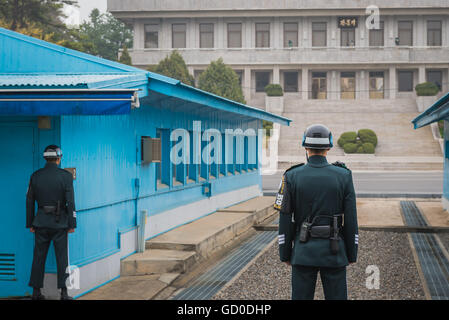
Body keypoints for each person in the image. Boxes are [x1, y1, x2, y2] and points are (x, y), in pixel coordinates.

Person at [274, 124, 358, 300]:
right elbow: (351, 219)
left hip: (303, 251)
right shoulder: (343, 175)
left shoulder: (291, 176)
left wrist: (285, 253)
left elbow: (285, 218)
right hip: (334, 251)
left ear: (305, 146)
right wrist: (351, 253)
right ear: (328, 147)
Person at [26, 145, 76, 300]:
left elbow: (29, 201)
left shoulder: (35, 176)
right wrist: (72, 223)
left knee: (38, 257)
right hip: (60, 223)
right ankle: (64, 293)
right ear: (59, 158)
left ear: (45, 158)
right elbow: (71, 202)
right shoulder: (66, 177)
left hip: (40, 222)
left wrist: (30, 224)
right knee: (62, 258)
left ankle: (36, 292)